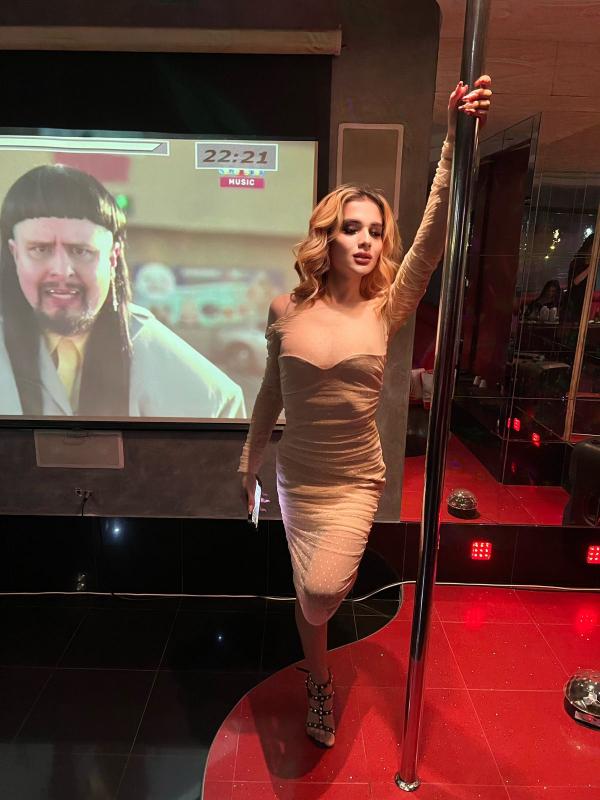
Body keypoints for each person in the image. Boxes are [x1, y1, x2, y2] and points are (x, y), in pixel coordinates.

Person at [239, 77, 493, 747]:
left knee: (322, 591)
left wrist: (453, 139)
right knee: (311, 596)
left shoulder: (386, 308)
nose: (366, 241)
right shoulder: (285, 309)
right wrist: (248, 464)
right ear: (326, 234)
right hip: (298, 478)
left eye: (376, 232)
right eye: (351, 227)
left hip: (354, 477)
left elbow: (432, 238)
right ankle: (319, 683)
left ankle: (318, 647)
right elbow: (270, 393)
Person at [0, 164, 246, 418]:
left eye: (81, 251)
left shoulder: (175, 371)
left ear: (113, 256)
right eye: (40, 249)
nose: (62, 271)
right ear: (15, 254)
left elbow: (223, 410)